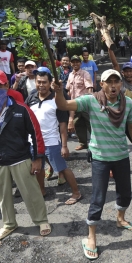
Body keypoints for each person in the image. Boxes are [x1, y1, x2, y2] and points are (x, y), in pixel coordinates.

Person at [54, 69, 132, 260]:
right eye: (108, 82)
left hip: (120, 156)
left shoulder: (127, 104)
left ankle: (120, 218)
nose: (113, 86)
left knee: (125, 192)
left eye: (116, 82)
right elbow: (63, 105)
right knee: (99, 197)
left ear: (121, 85)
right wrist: (59, 91)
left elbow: (131, 129)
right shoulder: (91, 100)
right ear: (101, 84)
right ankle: (91, 236)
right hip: (100, 157)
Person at [0, 68, 52, 241]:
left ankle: (41, 220)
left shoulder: (22, 109)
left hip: (21, 159)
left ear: (7, 85)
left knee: (32, 193)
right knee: (2, 197)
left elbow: (36, 134)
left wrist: (38, 158)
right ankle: (9, 224)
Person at [25, 68, 81, 203]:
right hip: (34, 142)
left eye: (44, 82)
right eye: (38, 82)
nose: (41, 85)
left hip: (51, 142)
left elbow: (62, 125)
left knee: (62, 167)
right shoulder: (31, 97)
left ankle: (76, 193)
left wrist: (64, 146)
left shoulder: (56, 100)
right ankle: (41, 191)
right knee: (38, 169)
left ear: (50, 83)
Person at [66, 55, 93, 151]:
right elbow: (68, 89)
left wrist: (90, 102)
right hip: (75, 104)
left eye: (77, 62)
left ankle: (97, 143)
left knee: (91, 124)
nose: (75, 64)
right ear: (71, 63)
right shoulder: (70, 75)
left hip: (85, 103)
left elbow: (89, 87)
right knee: (78, 124)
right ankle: (83, 143)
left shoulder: (85, 74)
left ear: (80, 63)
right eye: (73, 62)